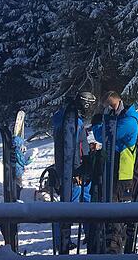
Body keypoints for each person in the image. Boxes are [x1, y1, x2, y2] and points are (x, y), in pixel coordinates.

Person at [51, 91, 96, 254]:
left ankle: (89, 234)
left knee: (84, 200)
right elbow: (71, 147)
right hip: (74, 170)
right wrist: (76, 170)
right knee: (71, 203)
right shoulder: (71, 120)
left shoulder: (64, 116)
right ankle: (63, 238)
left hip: (72, 167)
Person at [100, 91, 138, 253]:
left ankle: (116, 247)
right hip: (114, 170)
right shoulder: (119, 118)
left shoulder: (128, 121)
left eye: (112, 106)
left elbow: (106, 135)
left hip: (122, 173)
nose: (110, 110)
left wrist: (100, 125)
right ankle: (114, 243)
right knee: (112, 208)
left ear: (118, 103)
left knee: (117, 211)